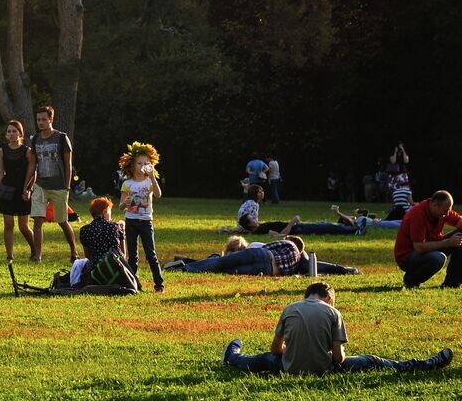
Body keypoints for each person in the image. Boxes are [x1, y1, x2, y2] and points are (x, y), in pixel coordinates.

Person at [221, 281, 452, 374]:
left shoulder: (290, 308)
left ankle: (231, 355)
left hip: (287, 367)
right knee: (373, 361)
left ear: (307, 295)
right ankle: (423, 364)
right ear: (329, 298)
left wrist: (293, 353)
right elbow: (339, 358)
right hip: (324, 368)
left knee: (260, 359)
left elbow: (275, 348)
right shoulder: (333, 313)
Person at [28, 105, 78, 264]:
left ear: (51, 119)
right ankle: (37, 255)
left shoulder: (61, 138)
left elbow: (68, 163)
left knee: (62, 221)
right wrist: (27, 184)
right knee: (38, 220)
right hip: (40, 185)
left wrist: (67, 186)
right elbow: (32, 163)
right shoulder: (35, 139)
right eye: (38, 120)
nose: (40, 122)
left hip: (59, 186)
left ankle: (74, 252)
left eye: (44, 119)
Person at [119, 142, 164, 292]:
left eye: (146, 163)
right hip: (131, 221)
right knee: (133, 256)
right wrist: (126, 202)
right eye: (139, 163)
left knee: (151, 254)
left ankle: (159, 284)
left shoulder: (149, 181)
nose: (142, 166)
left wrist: (152, 177)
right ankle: (133, 284)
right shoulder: (127, 183)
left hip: (146, 222)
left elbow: (158, 194)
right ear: (132, 165)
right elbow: (120, 206)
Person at [394, 189, 462, 288]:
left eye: (449, 210)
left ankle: (452, 283)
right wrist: (447, 242)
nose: (447, 214)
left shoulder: (441, 210)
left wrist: (448, 242)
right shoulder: (418, 214)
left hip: (431, 247)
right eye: (445, 210)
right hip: (408, 257)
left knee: (460, 236)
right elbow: (419, 247)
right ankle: (411, 279)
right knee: (438, 258)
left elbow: (459, 221)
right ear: (434, 205)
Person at [0, 120, 35, 264]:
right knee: (8, 224)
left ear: (20, 134)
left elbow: (33, 172)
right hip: (6, 190)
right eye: (9, 131)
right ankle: (9, 256)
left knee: (23, 226)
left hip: (22, 190)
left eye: (14, 131)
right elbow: (0, 172)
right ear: (6, 134)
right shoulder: (2, 151)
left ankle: (35, 250)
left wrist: (28, 189)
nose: (11, 134)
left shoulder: (27, 151)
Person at [178, 235, 306, 275]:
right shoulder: (296, 264)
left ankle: (184, 267)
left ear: (291, 239)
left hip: (262, 255)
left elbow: (267, 247)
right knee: (228, 271)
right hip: (267, 270)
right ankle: (186, 265)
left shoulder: (289, 244)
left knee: (221, 262)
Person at [78, 197, 126, 263]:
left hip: (95, 267)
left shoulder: (84, 230)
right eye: (110, 211)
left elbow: (88, 257)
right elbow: (123, 255)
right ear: (105, 212)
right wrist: (122, 232)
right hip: (114, 266)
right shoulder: (115, 227)